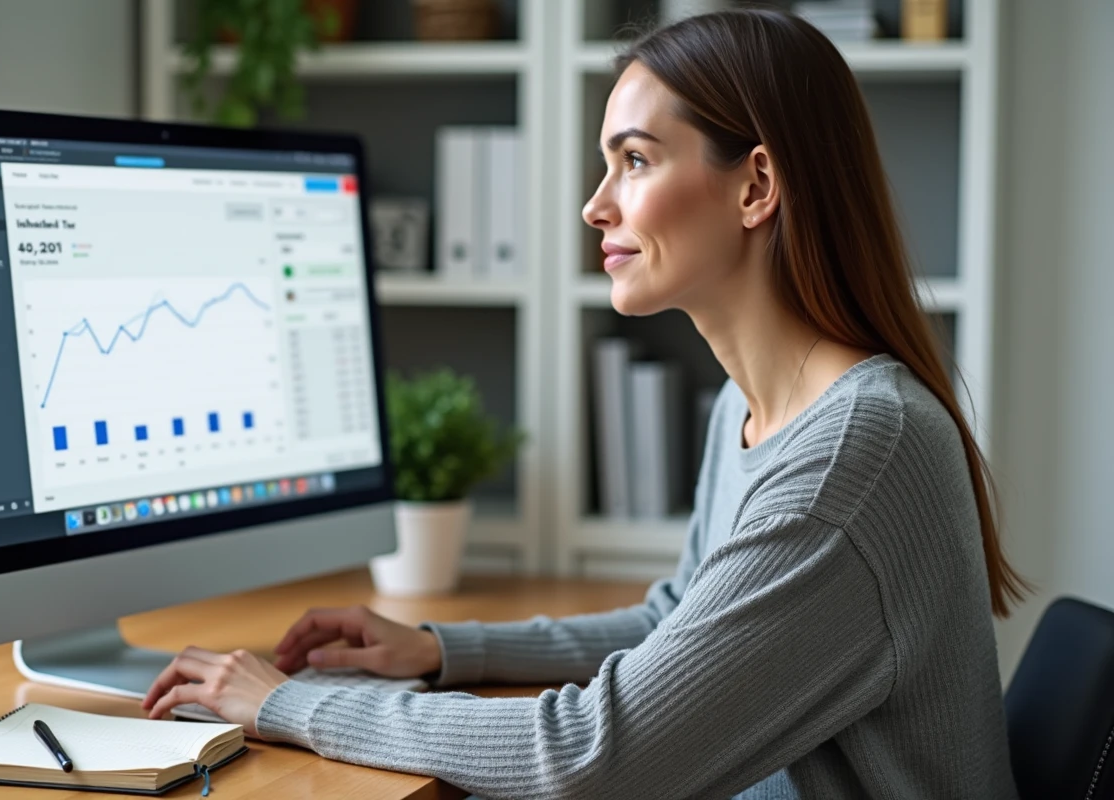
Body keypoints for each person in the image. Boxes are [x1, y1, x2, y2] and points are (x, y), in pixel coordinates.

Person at [143, 9, 1024, 798]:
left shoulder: (855, 454)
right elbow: (672, 619)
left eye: (634, 161)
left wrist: (295, 702)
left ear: (756, 187)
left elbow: (593, 761)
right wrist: (442, 650)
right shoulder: (759, 408)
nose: (592, 205)